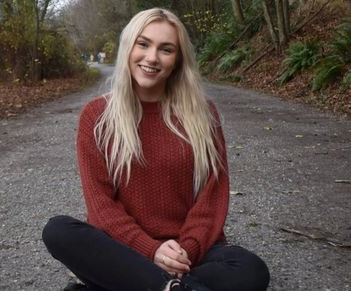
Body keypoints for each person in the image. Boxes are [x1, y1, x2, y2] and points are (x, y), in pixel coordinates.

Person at [42, 8, 270, 291]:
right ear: (128, 47)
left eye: (166, 49)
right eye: (143, 44)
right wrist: (151, 251)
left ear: (177, 60)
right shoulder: (97, 116)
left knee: (251, 271)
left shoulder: (203, 114)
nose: (152, 57)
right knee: (59, 231)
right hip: (124, 250)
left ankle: (136, 285)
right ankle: (170, 287)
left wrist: (182, 252)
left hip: (187, 255)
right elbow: (101, 207)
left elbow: (212, 199)